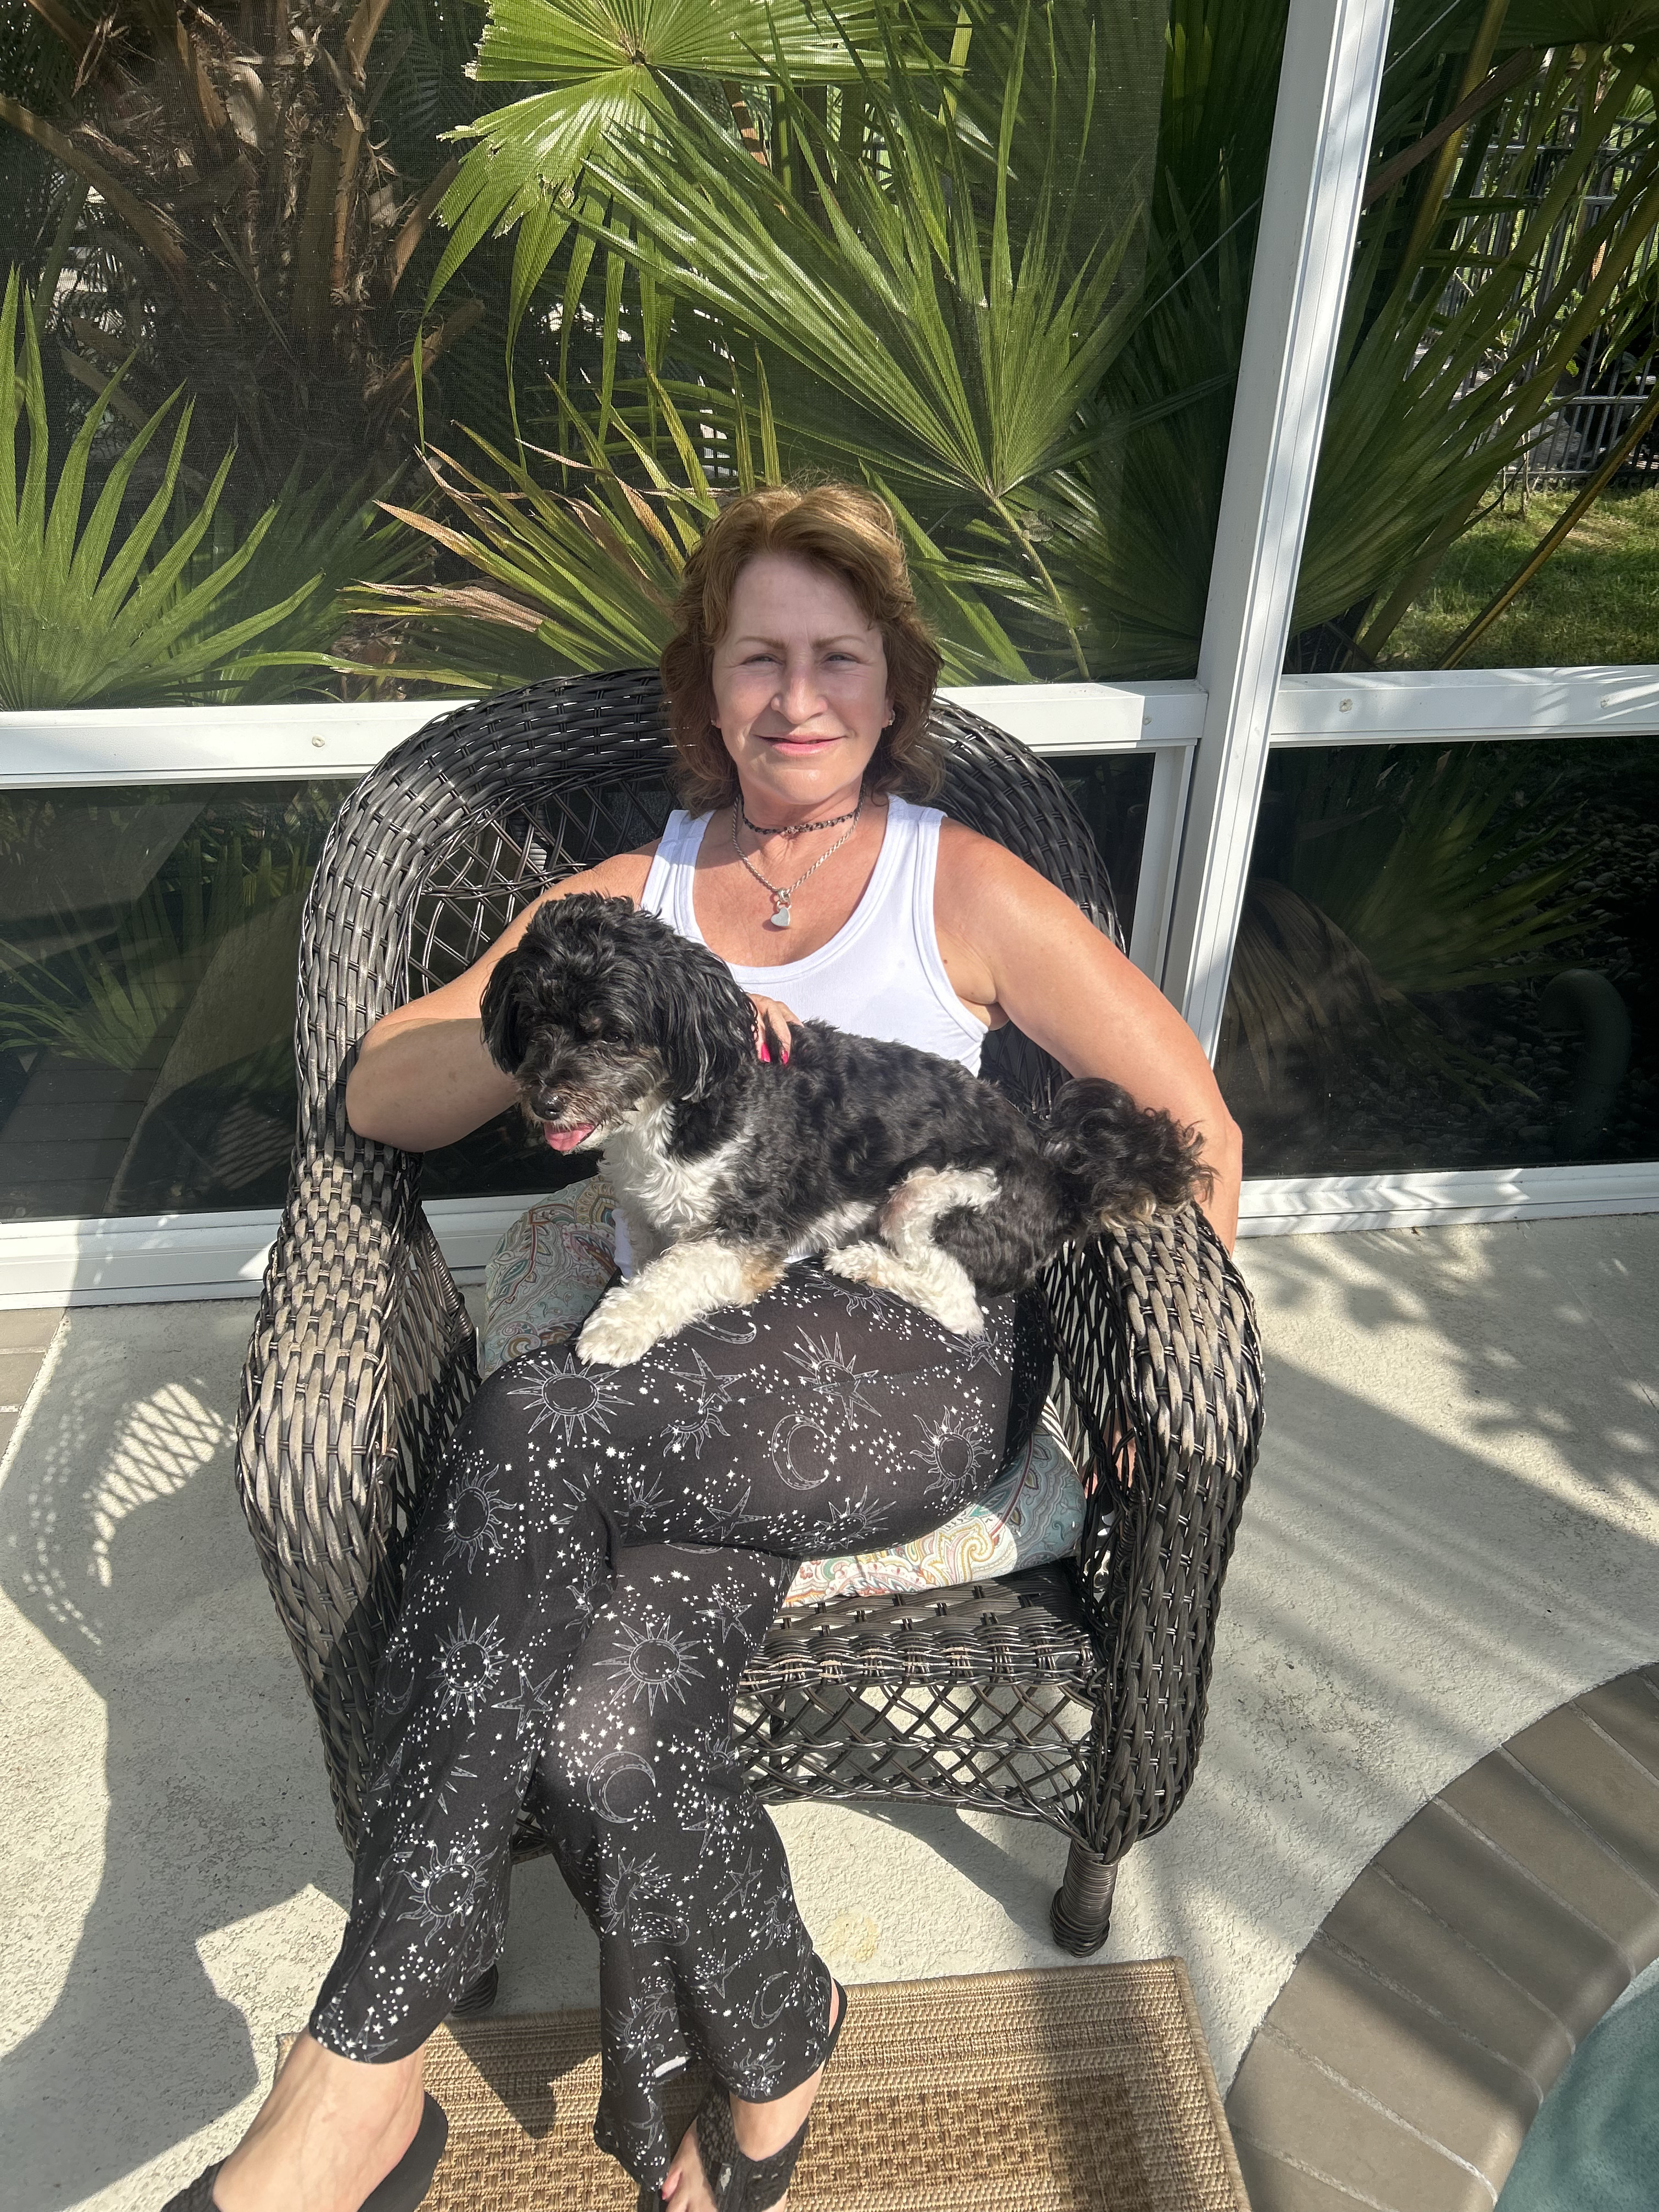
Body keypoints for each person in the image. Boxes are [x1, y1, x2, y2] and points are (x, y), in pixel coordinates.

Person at [172, 483, 1242, 2212]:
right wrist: (576, 1031)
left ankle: (365, 2057)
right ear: (708, 681)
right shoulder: (623, 894)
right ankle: (777, 2022)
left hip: (896, 1356)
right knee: (601, 1726)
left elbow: (1196, 1131)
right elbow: (381, 1090)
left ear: (896, 686)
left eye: (839, 657)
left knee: (538, 1414)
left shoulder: (960, 885)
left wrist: (1160, 1379)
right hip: (682, 1384)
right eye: (761, 656)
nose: (798, 696)